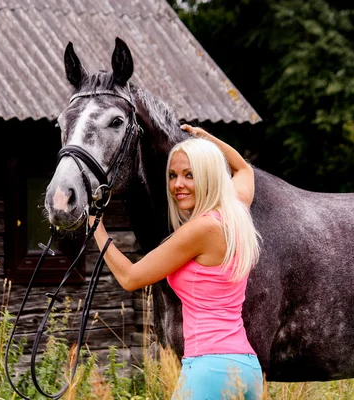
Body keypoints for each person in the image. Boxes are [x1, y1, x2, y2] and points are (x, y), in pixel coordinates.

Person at [89, 124, 263, 399]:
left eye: (189, 175)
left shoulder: (200, 230)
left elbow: (130, 277)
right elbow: (244, 170)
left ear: (208, 176)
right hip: (245, 367)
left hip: (209, 368)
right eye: (173, 175)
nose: (177, 185)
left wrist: (95, 225)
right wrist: (206, 139)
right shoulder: (234, 212)